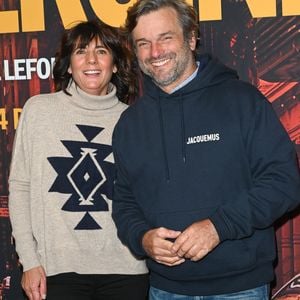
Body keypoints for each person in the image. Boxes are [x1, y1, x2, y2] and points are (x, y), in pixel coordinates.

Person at [111, 0, 300, 299]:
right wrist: (142, 237)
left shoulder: (242, 101)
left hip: (241, 288)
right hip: (165, 290)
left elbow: (284, 182)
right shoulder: (129, 124)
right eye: (143, 43)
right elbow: (123, 201)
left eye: (165, 38)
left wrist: (218, 227)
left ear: (191, 37)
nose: (155, 53)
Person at [8, 20, 148, 300]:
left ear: (116, 65)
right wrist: (30, 260)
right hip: (55, 271)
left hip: (126, 271)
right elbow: (20, 187)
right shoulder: (39, 111)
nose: (92, 60)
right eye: (81, 51)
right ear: (69, 64)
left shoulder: (134, 120)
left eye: (102, 51)